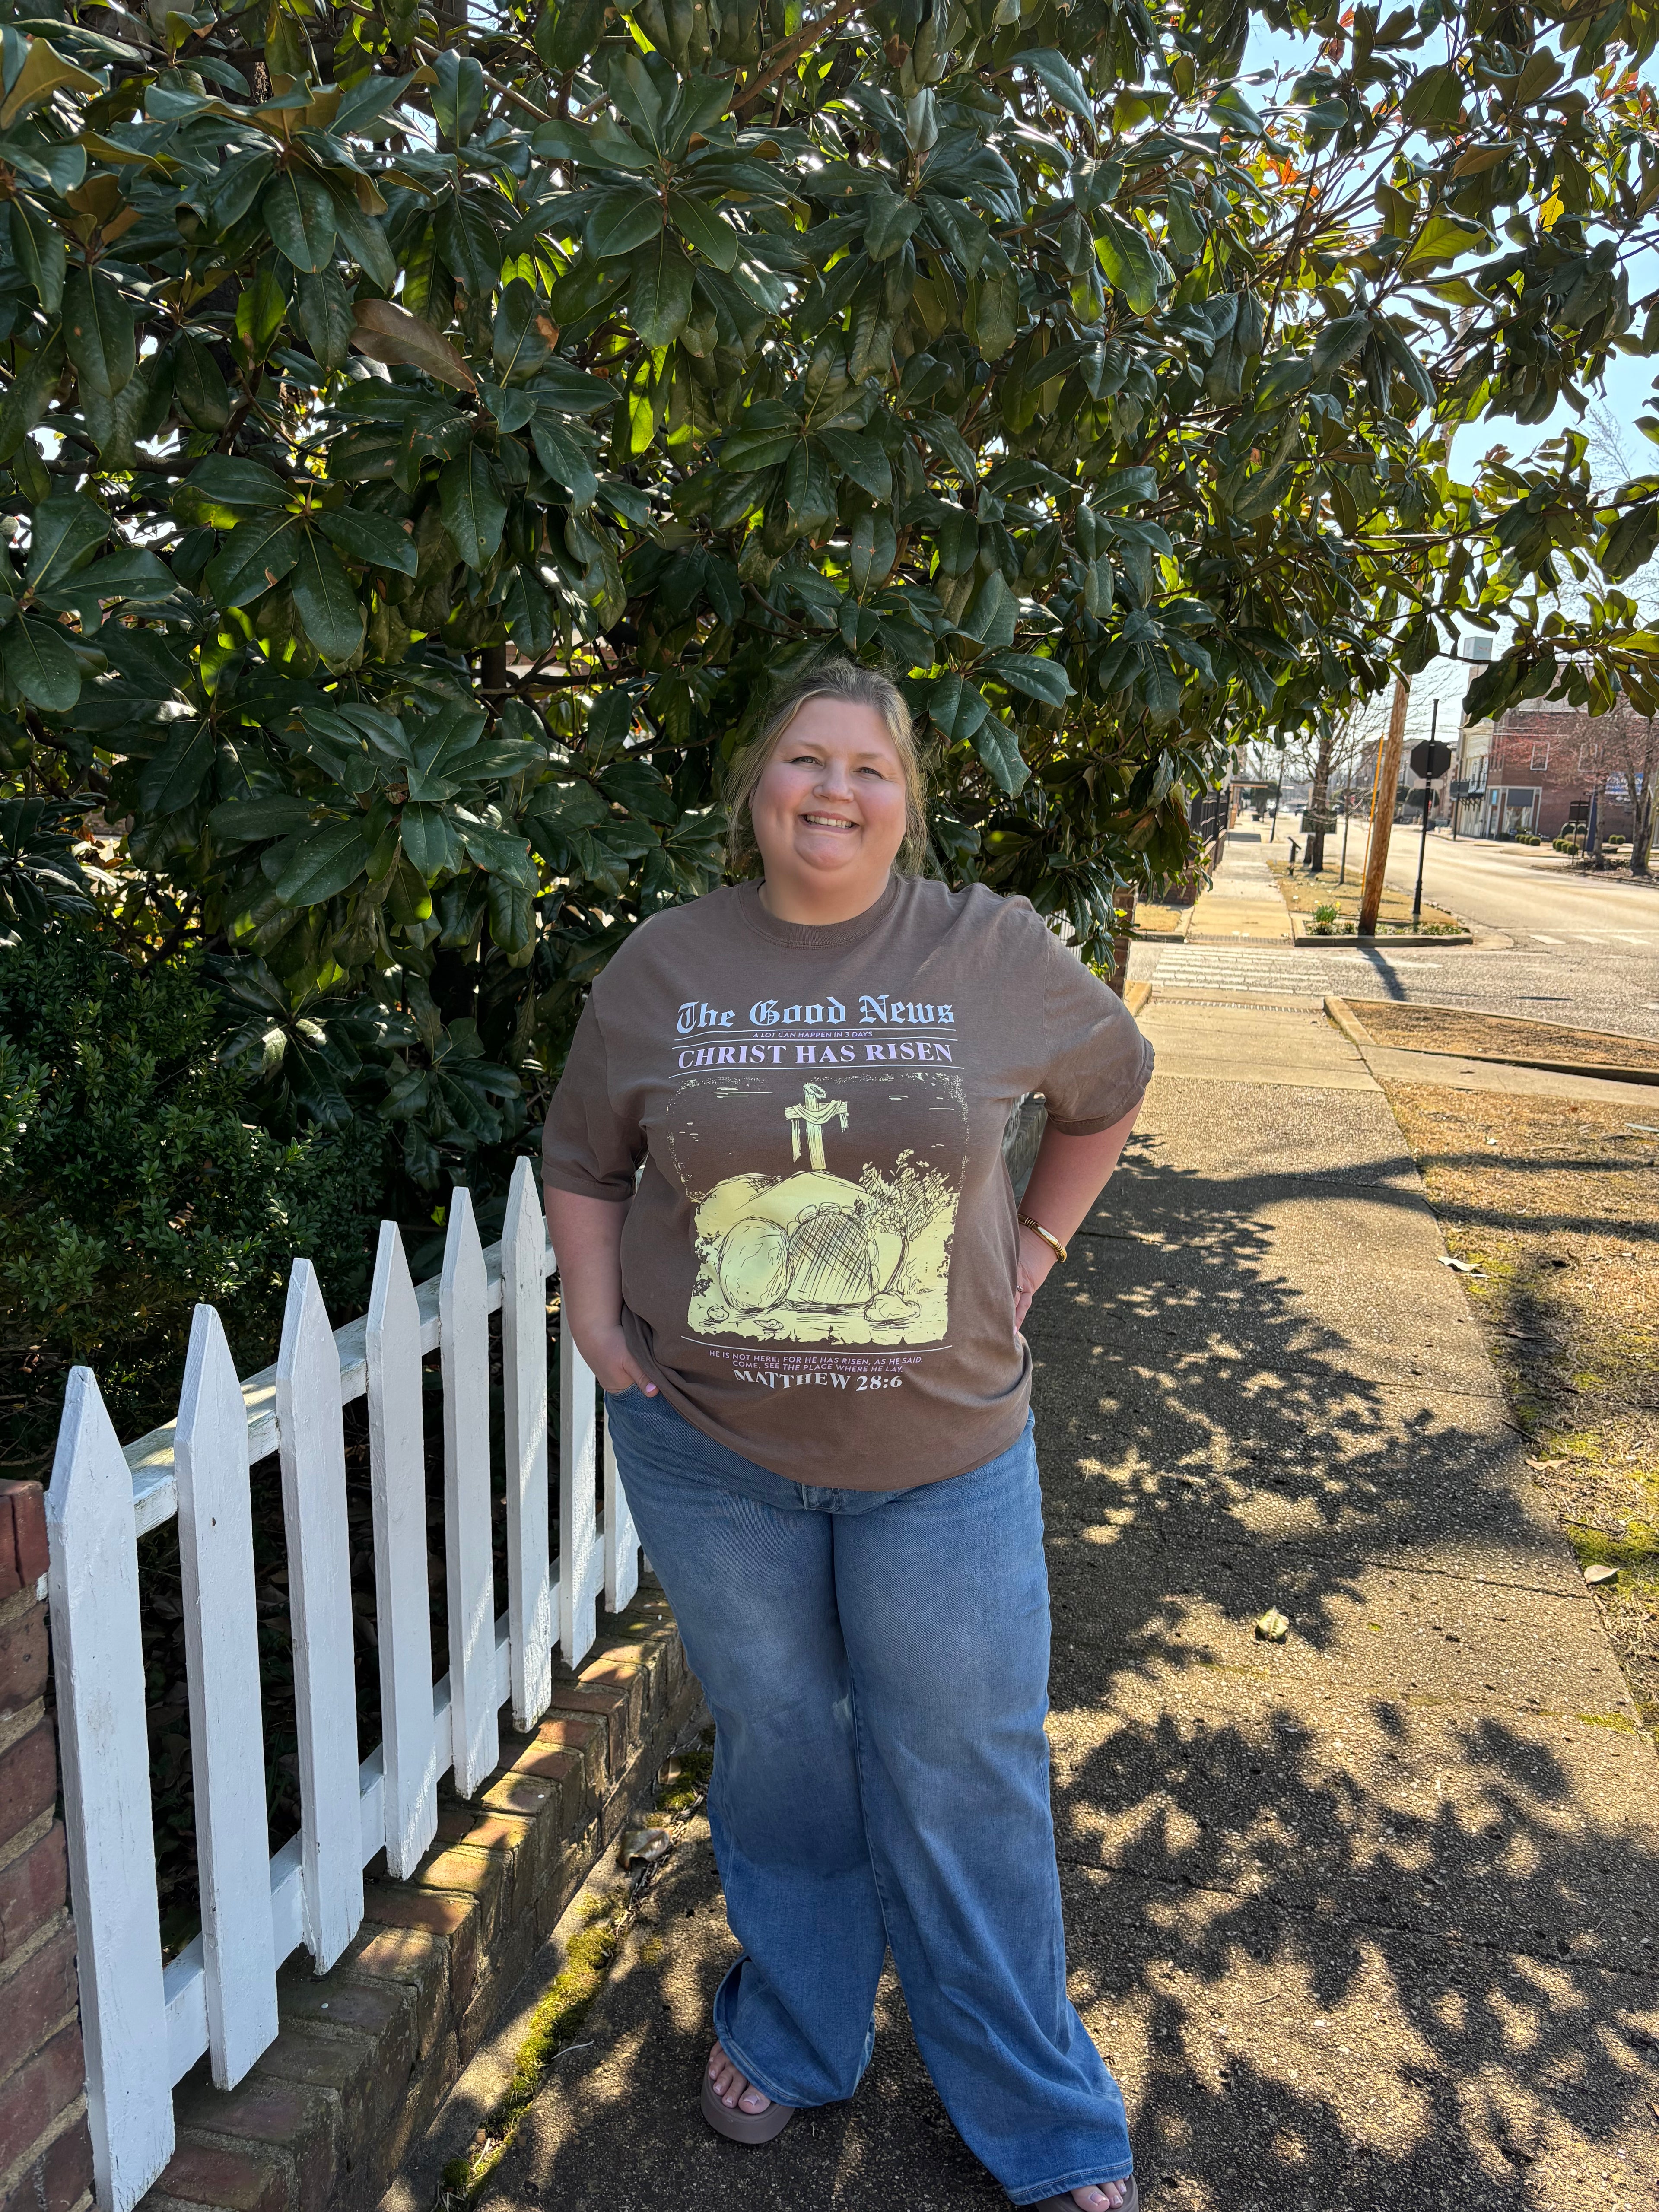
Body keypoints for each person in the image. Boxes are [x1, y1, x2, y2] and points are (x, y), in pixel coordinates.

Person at [542, 659, 1153, 2212]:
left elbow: (1111, 1087)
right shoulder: (667, 965)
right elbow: (585, 1154)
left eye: (868, 768)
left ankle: (1039, 2106)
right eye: (805, 761)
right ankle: (803, 2028)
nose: (833, 791)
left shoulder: (989, 950)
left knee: (967, 1768)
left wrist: (1038, 1250)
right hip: (712, 1455)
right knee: (784, 1753)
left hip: (942, 1465)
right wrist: (598, 1316)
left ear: (908, 802)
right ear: (759, 788)